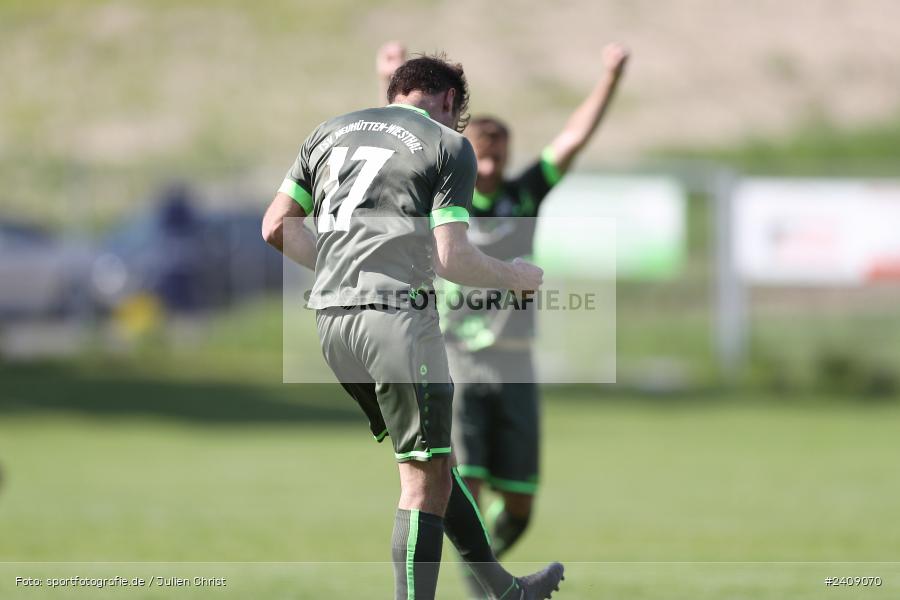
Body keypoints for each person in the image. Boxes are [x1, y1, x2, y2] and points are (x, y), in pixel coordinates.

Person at [263, 54, 564, 600]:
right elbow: (452, 258)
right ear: (449, 100)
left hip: (333, 323)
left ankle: (504, 590)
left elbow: (275, 226)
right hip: (397, 322)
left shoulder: (329, 131)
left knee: (437, 466)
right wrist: (514, 277)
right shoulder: (449, 145)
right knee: (421, 484)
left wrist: (341, 269)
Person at [376, 42, 629, 564]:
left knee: (519, 504)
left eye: (498, 156)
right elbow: (401, 144)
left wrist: (609, 78)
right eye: (483, 155)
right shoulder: (445, 191)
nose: (489, 165)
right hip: (458, 358)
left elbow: (573, 139)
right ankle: (485, 580)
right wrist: (388, 80)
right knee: (460, 482)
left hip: (515, 362)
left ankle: (486, 567)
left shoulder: (525, 195)